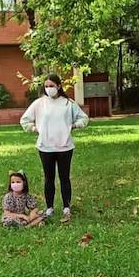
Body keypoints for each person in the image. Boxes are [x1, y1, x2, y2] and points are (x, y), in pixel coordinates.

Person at [20, 72, 88, 221]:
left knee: (64, 177)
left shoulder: (68, 103)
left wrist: (75, 126)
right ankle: (49, 207)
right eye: (46, 86)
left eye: (51, 86)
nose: (49, 88)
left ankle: (66, 206)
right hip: (46, 147)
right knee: (48, 178)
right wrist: (34, 128)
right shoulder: (39, 104)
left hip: (65, 147)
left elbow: (84, 118)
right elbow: (24, 120)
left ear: (58, 86)